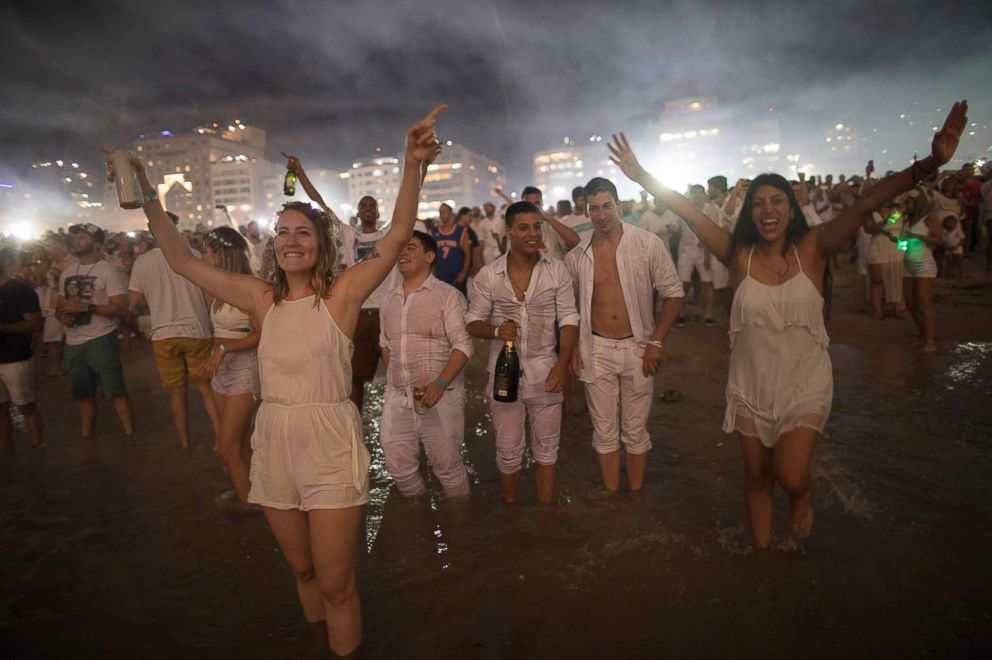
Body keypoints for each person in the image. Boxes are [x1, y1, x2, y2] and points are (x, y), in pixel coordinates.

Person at [103, 104, 444, 656]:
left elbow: (399, 230)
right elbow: (184, 262)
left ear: (320, 243)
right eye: (282, 232)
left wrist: (412, 164)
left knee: (336, 584)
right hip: (276, 438)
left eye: (302, 232)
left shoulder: (343, 296)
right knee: (303, 571)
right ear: (272, 245)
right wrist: (147, 198)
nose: (290, 240)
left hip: (330, 438)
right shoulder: (261, 299)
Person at [607, 99, 967, 548]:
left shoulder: (813, 248)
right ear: (750, 213)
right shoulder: (737, 254)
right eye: (759, 203)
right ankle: (761, 560)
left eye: (777, 200)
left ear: (790, 210)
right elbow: (690, 213)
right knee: (756, 478)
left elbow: (866, 205)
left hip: (804, 381)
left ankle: (802, 496)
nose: (767, 209)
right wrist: (641, 177)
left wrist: (931, 162)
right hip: (751, 383)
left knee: (791, 473)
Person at [565, 178, 684, 495]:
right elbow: (569, 307)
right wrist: (575, 345)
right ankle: (611, 499)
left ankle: (634, 498)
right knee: (603, 430)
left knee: (635, 428)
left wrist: (656, 341)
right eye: (594, 208)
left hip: (638, 345)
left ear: (618, 204)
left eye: (607, 206)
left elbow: (673, 293)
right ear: (585, 210)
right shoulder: (578, 254)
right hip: (596, 346)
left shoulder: (646, 243)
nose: (601, 215)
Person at [467, 202, 579, 504]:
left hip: (547, 370)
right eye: (524, 227)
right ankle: (512, 515)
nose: (532, 233)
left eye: (536, 226)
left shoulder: (557, 270)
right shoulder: (489, 276)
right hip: (504, 375)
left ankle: (545, 516)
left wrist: (563, 364)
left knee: (547, 448)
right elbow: (472, 322)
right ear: (509, 231)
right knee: (507, 450)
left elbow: (569, 318)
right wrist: (494, 331)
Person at [379, 231, 473, 499]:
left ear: (430, 257)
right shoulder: (389, 300)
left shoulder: (448, 296)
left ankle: (459, 527)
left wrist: (440, 384)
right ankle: (419, 519)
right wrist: (396, 379)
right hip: (398, 398)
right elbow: (385, 344)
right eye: (401, 249)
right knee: (399, 467)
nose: (403, 254)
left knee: (448, 467)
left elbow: (463, 345)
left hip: (440, 397)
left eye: (411, 248)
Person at [128, 212, 220, 450]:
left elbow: (135, 301)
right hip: (197, 330)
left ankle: (184, 443)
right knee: (206, 389)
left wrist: (157, 302)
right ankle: (221, 438)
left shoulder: (143, 262)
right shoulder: (196, 256)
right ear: (176, 228)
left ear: (151, 230)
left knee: (177, 393)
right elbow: (208, 293)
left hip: (163, 334)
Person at [55, 223, 134, 439]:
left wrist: (87, 307)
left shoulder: (107, 270)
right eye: (76, 237)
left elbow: (121, 307)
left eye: (83, 237)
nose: (77, 240)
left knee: (115, 391)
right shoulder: (67, 273)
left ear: (97, 244)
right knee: (83, 395)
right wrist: (61, 316)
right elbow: (59, 307)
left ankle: (130, 435)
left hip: (101, 339)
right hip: (73, 342)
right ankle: (87, 437)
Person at [201, 227, 261, 504]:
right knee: (242, 442)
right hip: (220, 369)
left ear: (223, 254)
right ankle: (255, 495)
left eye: (206, 252)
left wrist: (224, 348)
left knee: (226, 448)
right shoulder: (214, 288)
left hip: (244, 369)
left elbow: (261, 335)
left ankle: (249, 504)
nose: (203, 258)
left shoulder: (250, 287)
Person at [0, 246, 45, 447]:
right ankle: (5, 449)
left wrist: (4, 327)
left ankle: (38, 446)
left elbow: (35, 323)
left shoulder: (20, 291)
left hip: (16, 358)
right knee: (0, 409)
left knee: (26, 405)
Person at [283, 153, 356, 272]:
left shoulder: (376, 237)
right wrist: (299, 172)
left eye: (372, 206)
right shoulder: (346, 234)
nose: (368, 209)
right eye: (363, 206)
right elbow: (319, 202)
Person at [900, 190, 943, 352]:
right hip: (908, 263)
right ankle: (923, 335)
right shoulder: (907, 219)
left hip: (923, 264)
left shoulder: (929, 218)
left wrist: (914, 236)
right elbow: (903, 245)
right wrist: (900, 241)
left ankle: (930, 341)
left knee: (923, 303)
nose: (906, 205)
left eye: (909, 202)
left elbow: (939, 240)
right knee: (910, 303)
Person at [430, 203, 471, 295]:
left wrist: (463, 273)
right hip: (440, 277)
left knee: (460, 306)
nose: (441, 214)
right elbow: (430, 255)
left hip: (457, 277)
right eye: (440, 212)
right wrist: (432, 273)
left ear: (451, 214)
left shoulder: (461, 231)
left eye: (444, 211)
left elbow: (467, 254)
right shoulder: (433, 232)